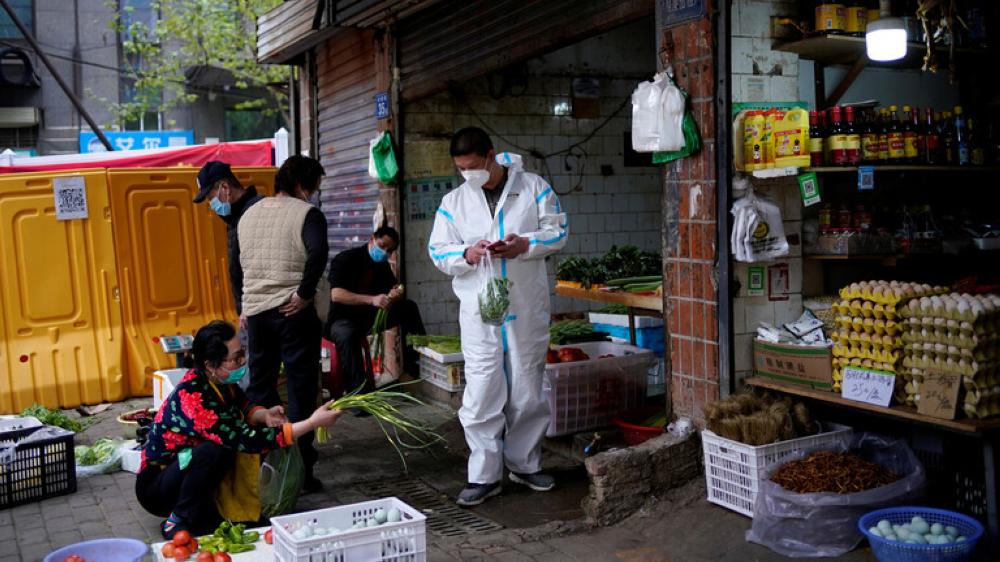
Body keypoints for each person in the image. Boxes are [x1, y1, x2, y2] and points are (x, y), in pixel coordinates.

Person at [428, 127, 568, 506]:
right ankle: (484, 475)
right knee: (482, 388)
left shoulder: (534, 186)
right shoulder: (453, 201)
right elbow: (437, 251)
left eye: (473, 166)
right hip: (478, 311)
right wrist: (466, 254)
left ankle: (524, 464)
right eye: (461, 169)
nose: (467, 175)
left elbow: (559, 231)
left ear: (491, 156)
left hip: (525, 305)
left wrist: (526, 244)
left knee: (527, 384)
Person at [135, 320, 343, 539]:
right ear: (210, 365)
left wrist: (264, 415)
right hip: (158, 486)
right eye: (235, 359)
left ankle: (209, 510)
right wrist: (311, 423)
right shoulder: (194, 397)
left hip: (183, 469)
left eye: (242, 353)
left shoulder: (219, 380)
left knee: (222, 448)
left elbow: (243, 405)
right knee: (214, 451)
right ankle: (178, 519)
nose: (242, 362)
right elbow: (245, 439)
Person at [238, 155, 329, 492]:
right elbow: (318, 253)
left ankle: (263, 461)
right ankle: (301, 469)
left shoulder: (249, 214)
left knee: (260, 387)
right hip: (293, 312)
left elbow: (236, 263)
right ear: (302, 186)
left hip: (258, 312)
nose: (315, 195)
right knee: (300, 387)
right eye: (314, 188)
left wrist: (244, 303)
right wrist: (305, 294)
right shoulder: (307, 214)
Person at [326, 226, 426, 394]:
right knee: (347, 335)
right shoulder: (346, 259)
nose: (385, 252)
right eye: (383, 245)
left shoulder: (382, 265)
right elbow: (336, 295)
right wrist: (371, 299)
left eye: (390, 250)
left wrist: (394, 294)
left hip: (369, 318)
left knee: (408, 308)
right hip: (342, 319)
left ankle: (415, 366)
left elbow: (390, 290)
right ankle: (358, 394)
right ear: (372, 238)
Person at [192, 161, 264, 324]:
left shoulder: (255, 212)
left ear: (225, 188)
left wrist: (249, 305)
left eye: (211, 198)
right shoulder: (235, 217)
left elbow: (260, 265)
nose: (212, 205)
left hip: (260, 311)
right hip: (252, 312)